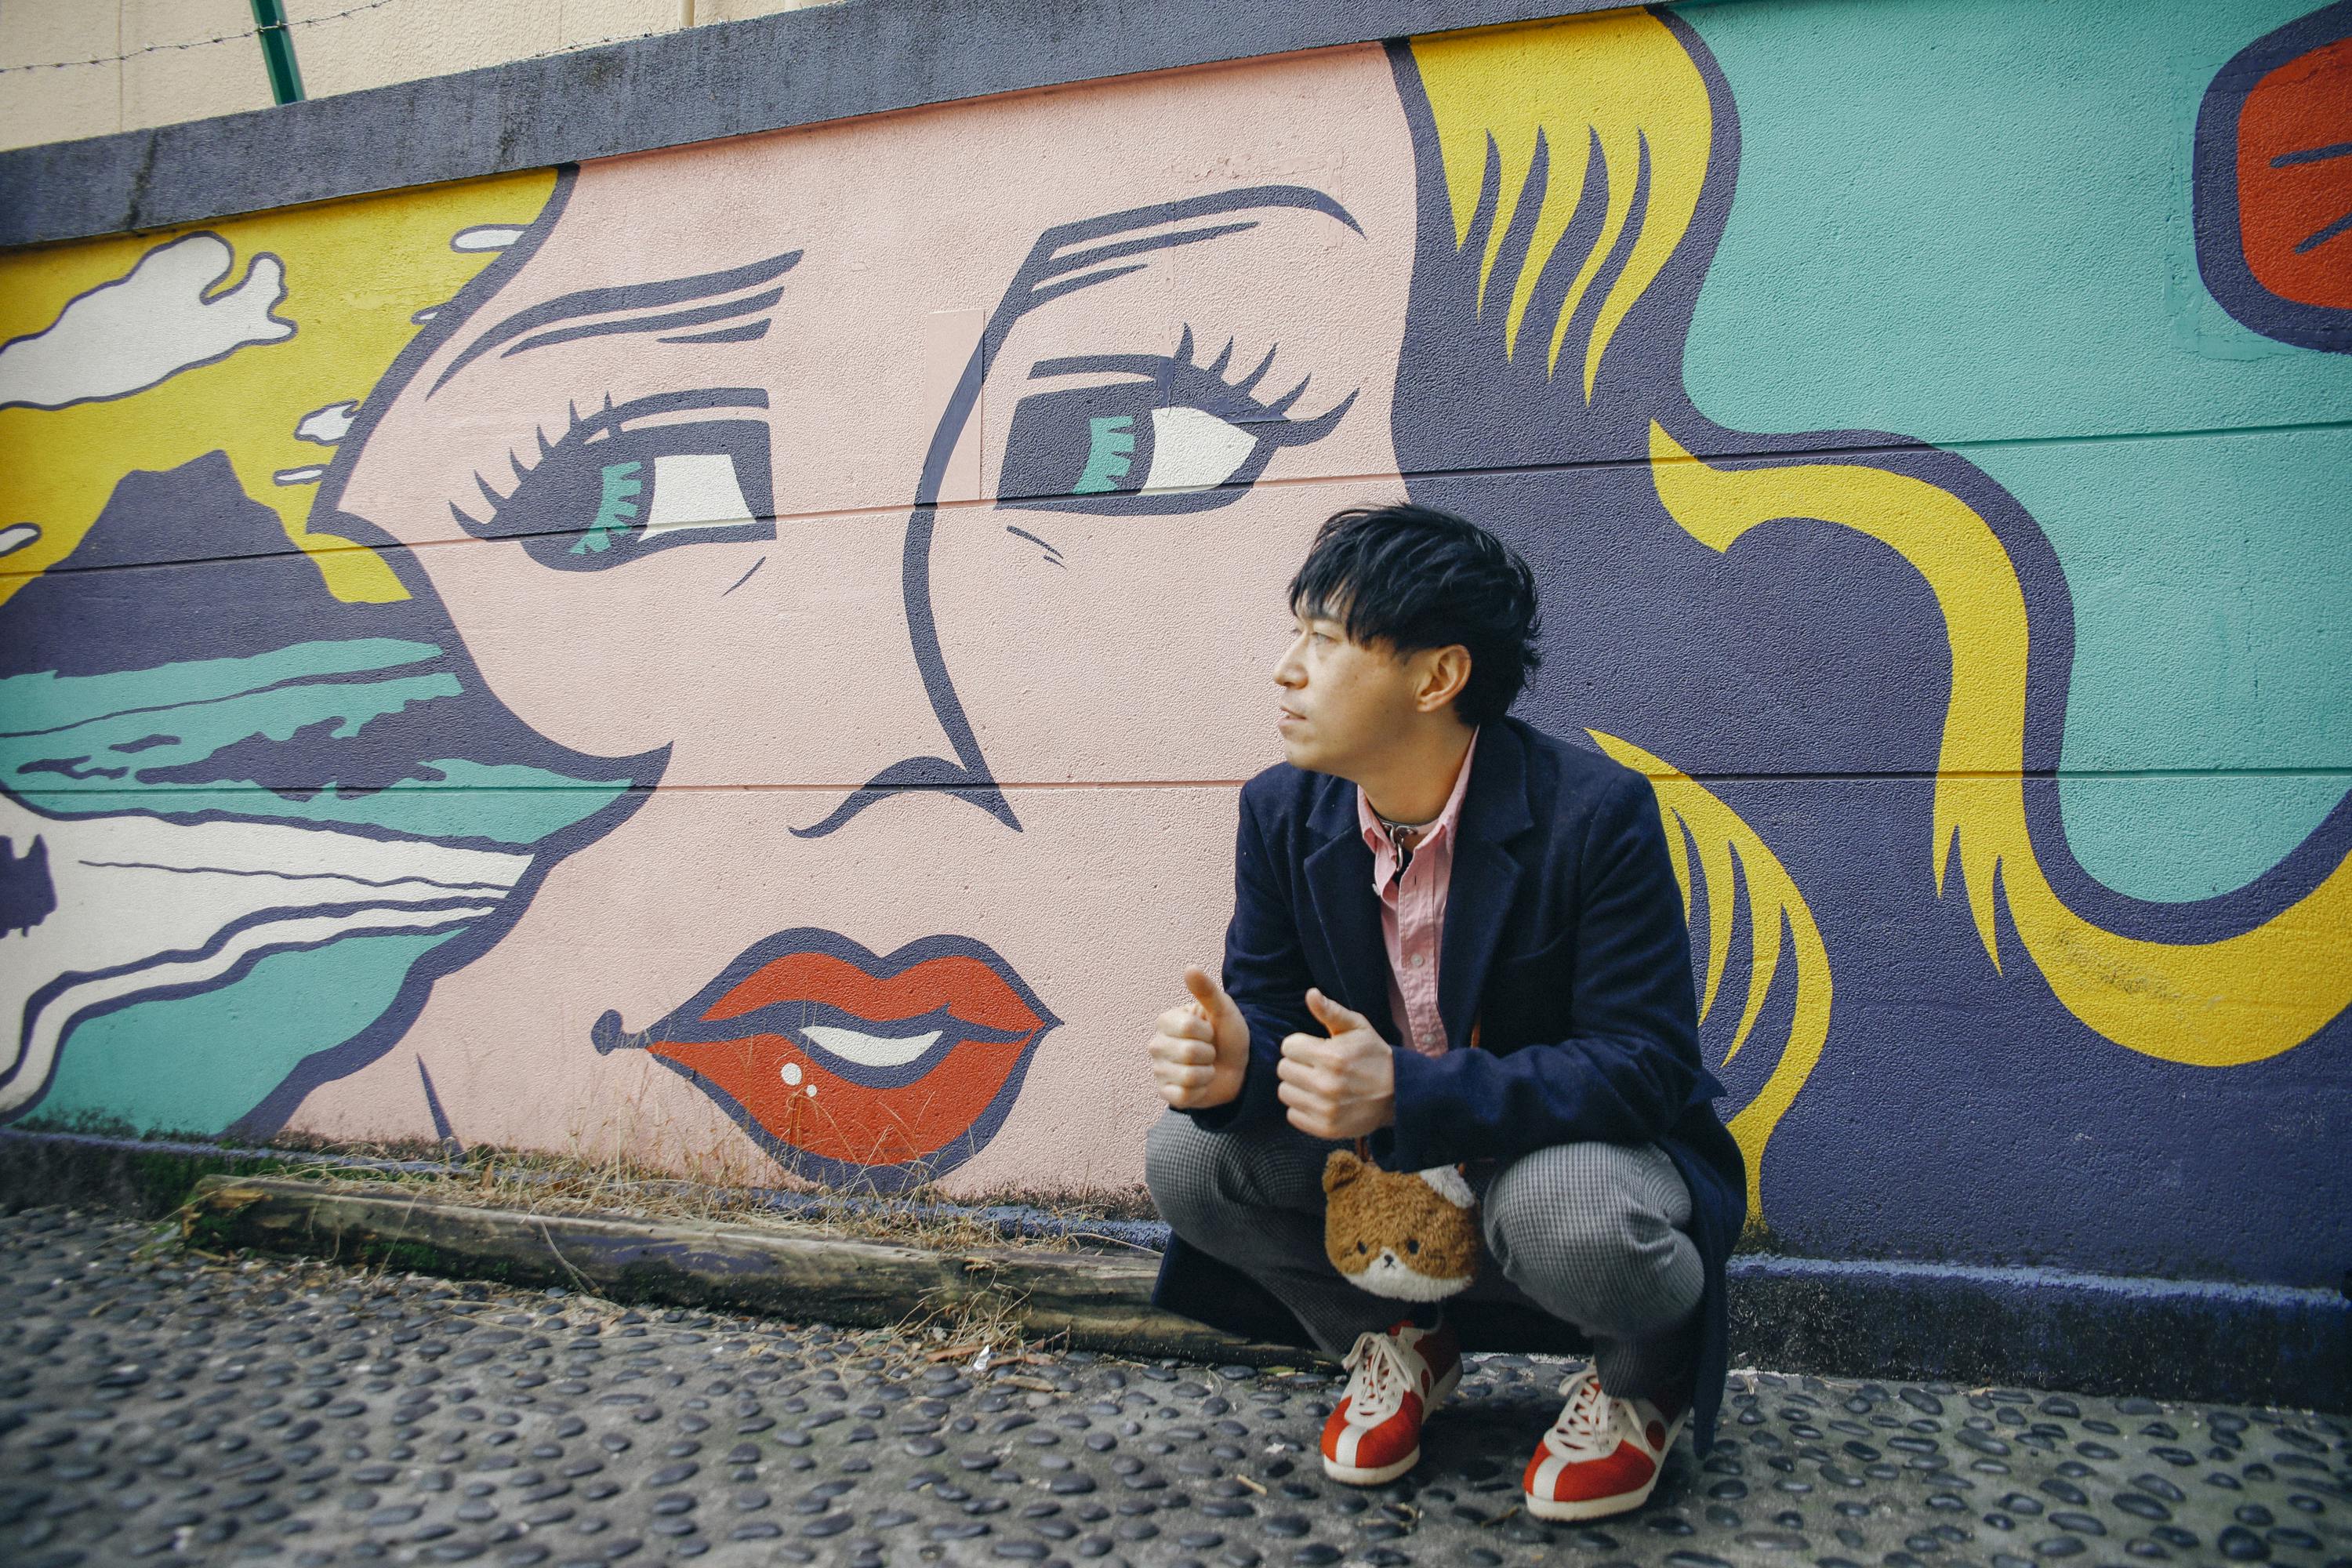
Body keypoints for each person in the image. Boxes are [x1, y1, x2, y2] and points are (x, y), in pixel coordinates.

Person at [1143, 502, 1746, 1520]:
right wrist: (1239, 1066)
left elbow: (1644, 1066)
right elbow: (1274, 1015)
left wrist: (1409, 1092)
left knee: (1567, 1214)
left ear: (1437, 677)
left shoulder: (1595, 814)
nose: (1286, 671)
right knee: (1188, 1157)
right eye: (1296, 635)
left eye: (1325, 641)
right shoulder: (1281, 811)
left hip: (1554, 1162)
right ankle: (1399, 1342)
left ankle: (1643, 1378)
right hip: (1389, 1175)